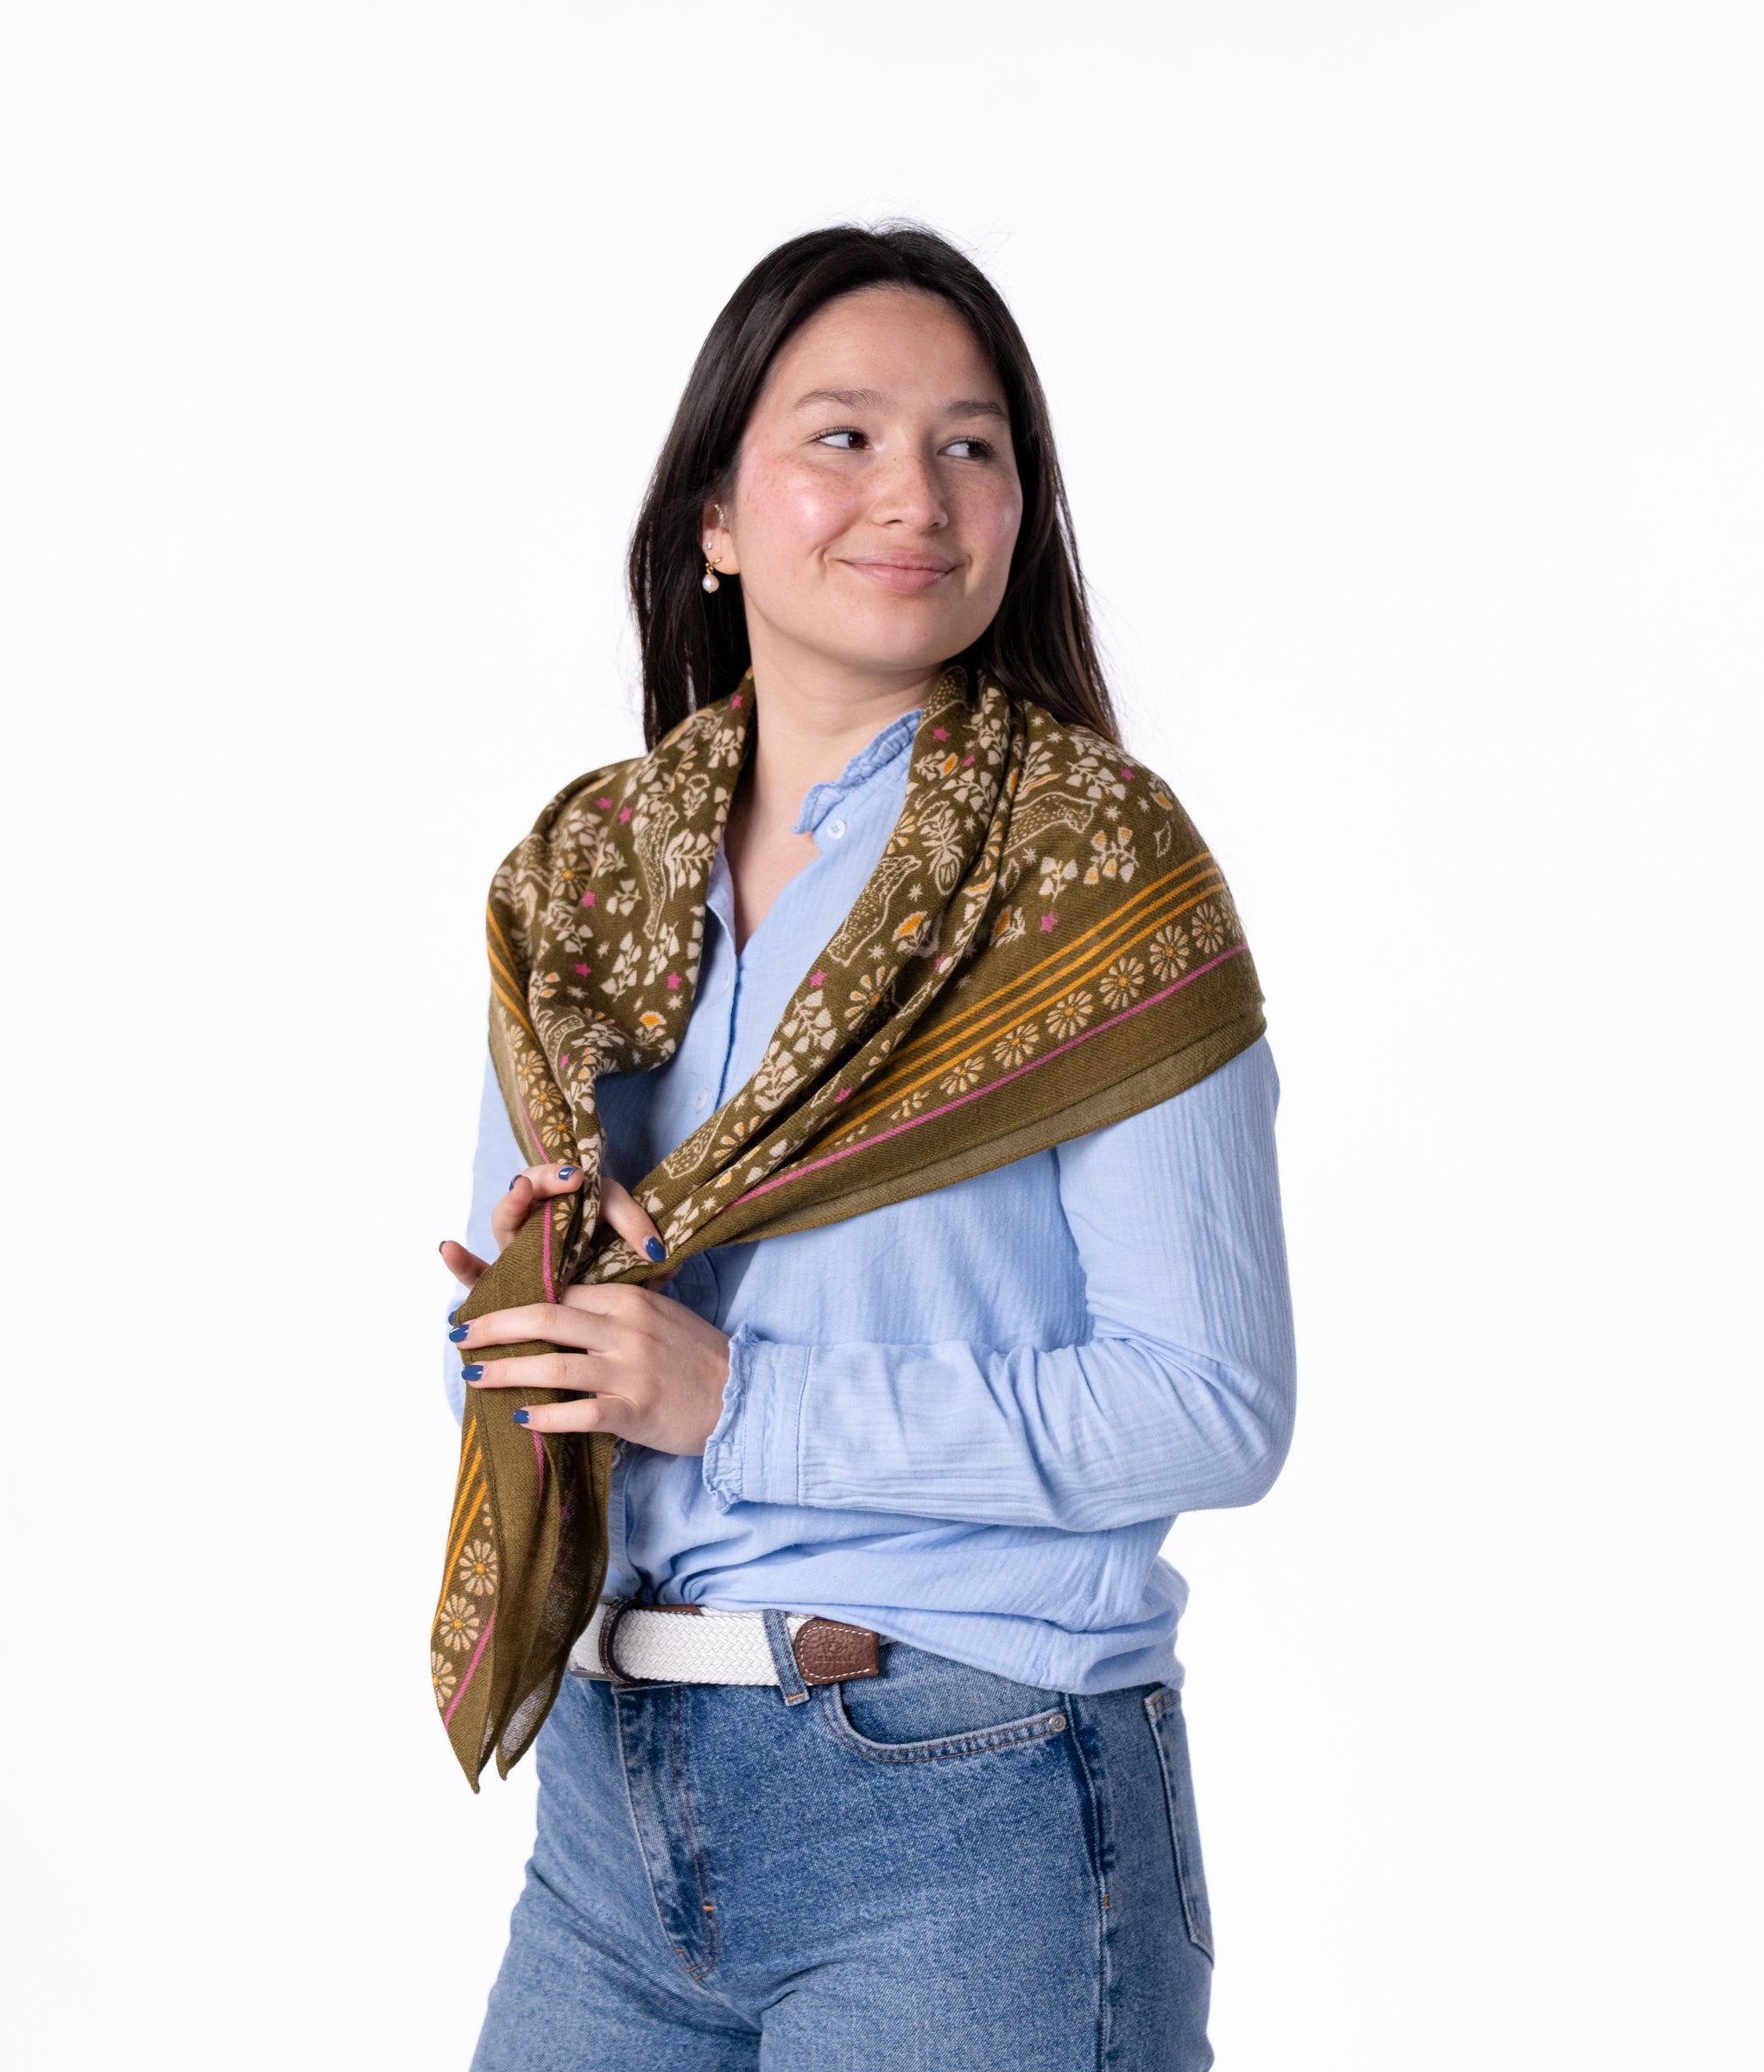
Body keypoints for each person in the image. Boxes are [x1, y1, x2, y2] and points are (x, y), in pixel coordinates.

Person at [434, 223, 1295, 2072]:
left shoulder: (1093, 879)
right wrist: (528, 1325)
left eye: (971, 445)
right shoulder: (585, 883)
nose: (915, 491)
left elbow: (1211, 1406)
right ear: (715, 518)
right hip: (608, 1806)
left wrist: (734, 1402)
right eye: (843, 436)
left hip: (970, 1803)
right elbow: (519, 1401)